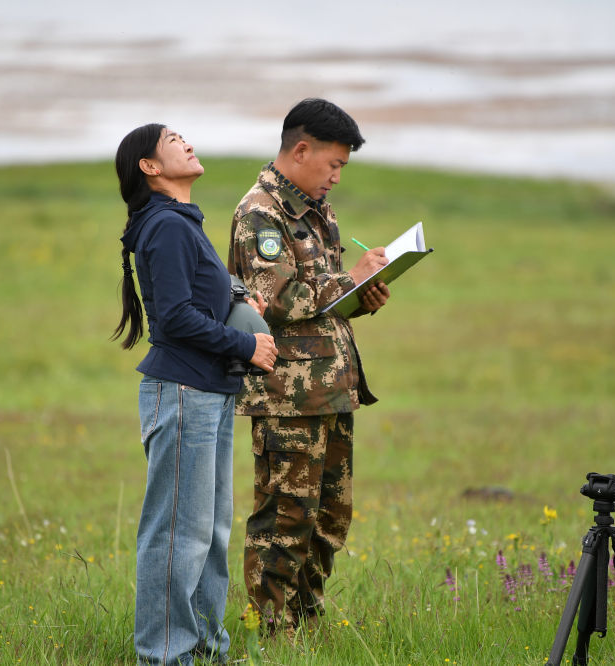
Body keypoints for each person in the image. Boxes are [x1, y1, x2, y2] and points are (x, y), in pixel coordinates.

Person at [113, 123, 278, 665]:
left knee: (209, 532)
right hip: (183, 391)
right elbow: (177, 318)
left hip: (206, 391)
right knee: (176, 535)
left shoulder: (178, 222)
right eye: (172, 138)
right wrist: (245, 344)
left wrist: (234, 292)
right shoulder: (166, 225)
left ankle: (206, 651)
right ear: (150, 167)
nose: (186, 141)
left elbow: (190, 293)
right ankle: (165, 656)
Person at [227, 98, 390, 637]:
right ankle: (273, 633)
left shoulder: (317, 211)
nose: (337, 177)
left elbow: (318, 308)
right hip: (288, 396)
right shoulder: (260, 212)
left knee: (329, 518)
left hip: (331, 389)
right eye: (333, 165)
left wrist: (360, 296)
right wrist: (351, 280)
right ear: (301, 150)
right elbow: (275, 298)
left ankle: (306, 621)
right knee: (286, 517)